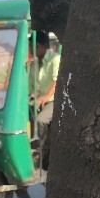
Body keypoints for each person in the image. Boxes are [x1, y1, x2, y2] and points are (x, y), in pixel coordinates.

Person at [29, 31, 60, 167]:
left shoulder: (55, 59)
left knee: (40, 120)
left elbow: (57, 82)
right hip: (40, 100)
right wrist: (34, 96)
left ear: (43, 46)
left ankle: (38, 152)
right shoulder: (33, 64)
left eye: (34, 47)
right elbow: (32, 86)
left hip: (54, 100)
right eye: (30, 47)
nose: (32, 50)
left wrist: (45, 98)